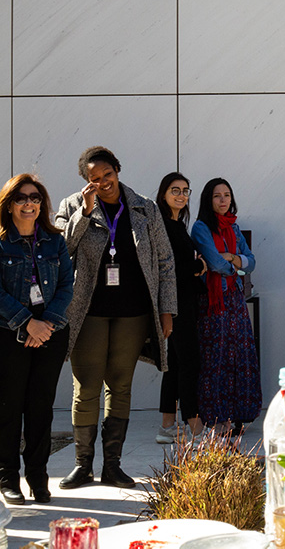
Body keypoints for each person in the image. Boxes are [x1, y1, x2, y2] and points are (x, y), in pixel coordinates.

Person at [56, 146, 177, 490]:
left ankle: (113, 465)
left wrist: (167, 310)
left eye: (107, 175)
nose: (103, 182)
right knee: (86, 389)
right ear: (86, 182)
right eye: (95, 179)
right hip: (88, 313)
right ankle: (82, 466)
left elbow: (165, 262)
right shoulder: (71, 207)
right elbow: (60, 252)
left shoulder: (144, 208)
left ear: (117, 171)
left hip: (134, 313)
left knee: (120, 386)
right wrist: (85, 211)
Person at [0, 175, 74, 505]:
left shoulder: (54, 242)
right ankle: (8, 479)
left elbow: (66, 287)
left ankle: (38, 477)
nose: (29, 203)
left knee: (41, 408)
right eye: (21, 198)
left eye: (35, 198)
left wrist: (45, 325)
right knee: (9, 408)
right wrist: (27, 323)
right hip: (8, 334)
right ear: (9, 204)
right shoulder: (1, 242)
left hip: (51, 334)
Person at [190, 178, 261, 435]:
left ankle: (239, 414)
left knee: (239, 355)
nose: (223, 200)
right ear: (208, 200)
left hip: (234, 298)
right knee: (215, 357)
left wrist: (231, 258)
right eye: (217, 196)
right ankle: (216, 417)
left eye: (227, 195)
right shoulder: (200, 227)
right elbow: (215, 264)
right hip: (213, 301)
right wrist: (235, 267)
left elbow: (251, 262)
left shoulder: (234, 227)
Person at [154, 173, 207, 444]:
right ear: (163, 193)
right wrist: (198, 266)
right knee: (189, 362)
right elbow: (170, 268)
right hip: (175, 305)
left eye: (186, 190)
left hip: (182, 302)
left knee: (174, 363)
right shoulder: (164, 226)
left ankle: (166, 426)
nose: (181, 195)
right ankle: (194, 424)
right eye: (175, 190)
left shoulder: (177, 225)